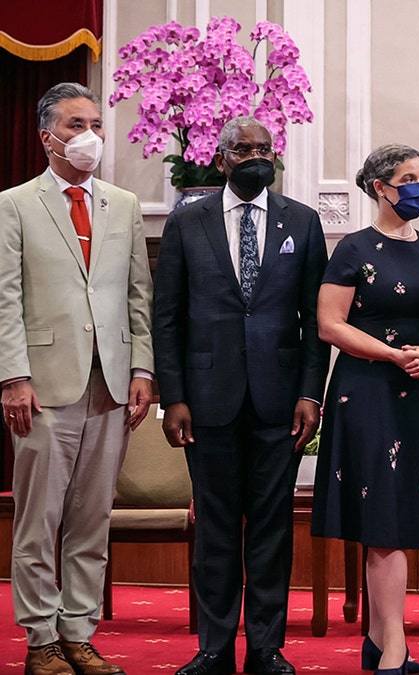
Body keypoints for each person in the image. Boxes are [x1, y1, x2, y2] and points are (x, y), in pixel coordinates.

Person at [153, 116, 329, 675]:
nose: (258, 156)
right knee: (216, 527)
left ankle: (266, 647)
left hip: (281, 402)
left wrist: (310, 392)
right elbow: (167, 319)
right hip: (206, 400)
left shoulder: (301, 221)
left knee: (274, 529)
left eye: (265, 149)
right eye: (245, 149)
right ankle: (213, 648)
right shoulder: (186, 222)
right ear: (222, 158)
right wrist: (173, 397)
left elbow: (313, 320)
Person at [0, 81, 153, 675]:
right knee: (40, 520)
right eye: (74, 124)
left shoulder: (124, 203)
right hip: (42, 385)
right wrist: (13, 376)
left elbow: (139, 294)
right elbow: (6, 297)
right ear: (47, 137)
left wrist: (143, 368)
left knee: (92, 518)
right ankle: (40, 638)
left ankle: (79, 631)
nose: (89, 133)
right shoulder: (14, 204)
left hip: (110, 384)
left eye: (95, 122)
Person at [310, 144, 419, 675]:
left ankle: (377, 639)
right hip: (367, 391)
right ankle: (394, 645)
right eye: (407, 178)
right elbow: (330, 325)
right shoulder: (353, 247)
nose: (418, 186)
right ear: (380, 187)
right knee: (384, 520)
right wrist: (395, 354)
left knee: (402, 515)